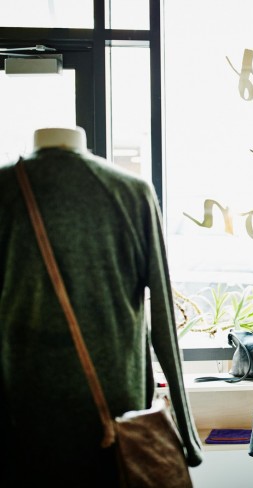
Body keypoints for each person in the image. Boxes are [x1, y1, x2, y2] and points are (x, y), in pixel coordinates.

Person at [0, 127, 202, 486]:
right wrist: (185, 433)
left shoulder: (5, 190)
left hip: (25, 418)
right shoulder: (131, 192)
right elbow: (164, 319)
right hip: (118, 417)